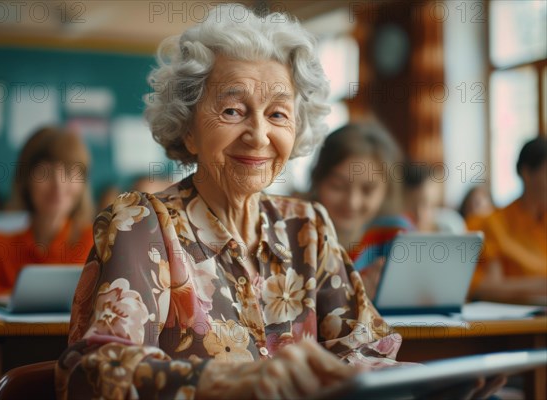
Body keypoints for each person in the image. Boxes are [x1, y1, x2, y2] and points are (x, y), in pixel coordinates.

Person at [56, 5, 504, 399]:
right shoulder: (142, 224)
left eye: (277, 114)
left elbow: (361, 350)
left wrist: (423, 382)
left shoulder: (308, 226)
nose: (258, 135)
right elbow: (95, 373)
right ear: (188, 129)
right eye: (232, 111)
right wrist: (238, 382)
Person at [0, 127, 94, 297]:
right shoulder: (1, 245)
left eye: (70, 172)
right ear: (26, 180)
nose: (59, 185)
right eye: (45, 172)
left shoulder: (97, 242)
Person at [310, 124, 414, 297]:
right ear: (317, 181)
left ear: (386, 190)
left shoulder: (396, 234)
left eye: (367, 190)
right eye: (338, 186)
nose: (352, 202)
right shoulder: (295, 235)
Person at [470, 137, 547, 304]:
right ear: (526, 173)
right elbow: (486, 289)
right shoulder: (496, 224)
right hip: (516, 321)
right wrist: (540, 284)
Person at [403, 162, 466, 233]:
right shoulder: (397, 230)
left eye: (427, 204)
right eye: (412, 206)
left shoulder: (451, 226)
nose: (419, 214)